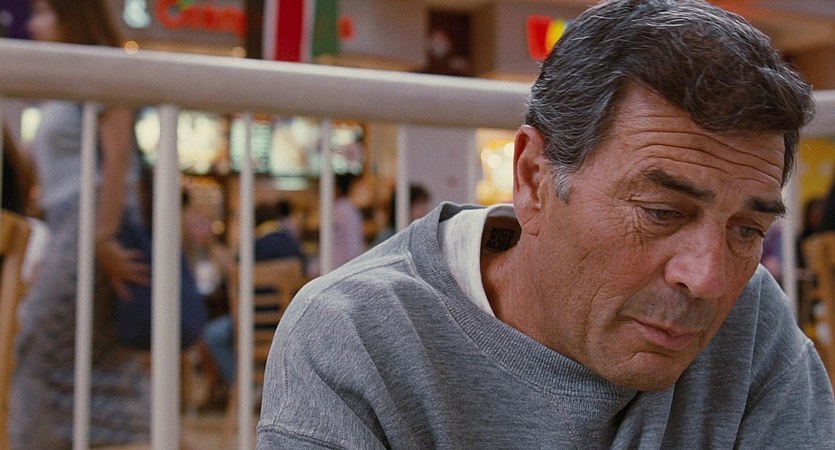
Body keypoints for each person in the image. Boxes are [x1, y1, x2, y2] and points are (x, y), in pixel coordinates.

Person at [256, 0, 835, 447]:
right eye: (661, 212)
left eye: (746, 230)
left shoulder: (751, 320)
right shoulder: (360, 334)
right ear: (534, 179)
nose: (707, 278)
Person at [9, 1, 153, 448]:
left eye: (45, 12)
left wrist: (102, 236)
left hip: (89, 224)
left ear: (72, 15)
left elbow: (118, 158)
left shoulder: (102, 71)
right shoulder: (69, 80)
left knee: (41, 344)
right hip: (72, 227)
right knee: (92, 352)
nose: (34, 24)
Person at [201, 201, 304, 391]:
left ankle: (244, 387)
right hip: (289, 326)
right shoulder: (293, 245)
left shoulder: (250, 249)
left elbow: (226, 287)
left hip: (252, 326)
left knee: (212, 335)